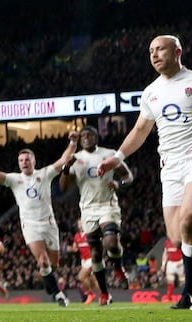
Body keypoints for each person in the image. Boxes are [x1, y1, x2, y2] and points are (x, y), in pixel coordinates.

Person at [97, 35, 192, 310]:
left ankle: (189, 295)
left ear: (177, 51)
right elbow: (140, 130)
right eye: (150, 50)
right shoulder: (150, 91)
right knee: (177, 236)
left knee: (188, 223)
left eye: (160, 49)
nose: (154, 54)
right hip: (170, 167)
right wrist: (116, 158)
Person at [0, 131, 79, 307]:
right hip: (30, 225)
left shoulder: (45, 174)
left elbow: (63, 160)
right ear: (18, 164)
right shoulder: (14, 179)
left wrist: (73, 142)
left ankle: (50, 283)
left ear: (34, 161)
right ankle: (58, 295)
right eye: (21, 160)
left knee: (53, 265)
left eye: (27, 159)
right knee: (43, 261)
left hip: (49, 224)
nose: (24, 162)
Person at [59, 125, 133, 305]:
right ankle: (104, 294)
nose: (86, 138)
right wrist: (66, 168)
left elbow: (128, 176)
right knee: (96, 254)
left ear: (96, 137)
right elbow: (63, 188)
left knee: (110, 243)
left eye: (89, 135)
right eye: (83, 135)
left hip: (107, 205)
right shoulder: (75, 159)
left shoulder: (109, 154)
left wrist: (118, 184)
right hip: (87, 209)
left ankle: (118, 267)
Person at [67, 219, 100, 304]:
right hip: (83, 260)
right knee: (92, 280)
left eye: (81, 223)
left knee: (81, 277)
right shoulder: (77, 236)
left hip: (91, 259)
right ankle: (105, 295)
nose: (80, 225)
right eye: (79, 224)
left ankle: (90, 294)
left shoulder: (89, 234)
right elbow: (75, 249)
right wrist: (71, 249)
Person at [161, 238, 184, 303]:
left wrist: (182, 262)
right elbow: (165, 253)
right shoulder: (167, 242)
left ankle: (185, 296)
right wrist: (163, 264)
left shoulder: (180, 241)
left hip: (179, 262)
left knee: (182, 281)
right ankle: (169, 298)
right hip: (170, 263)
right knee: (170, 280)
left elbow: (186, 252)